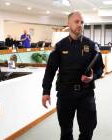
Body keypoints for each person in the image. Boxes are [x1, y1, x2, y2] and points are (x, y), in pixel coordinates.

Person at [42, 11, 104, 140]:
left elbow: (99, 69)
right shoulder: (60, 46)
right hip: (65, 94)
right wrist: (46, 91)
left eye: (82, 22)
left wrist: (93, 77)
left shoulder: (91, 45)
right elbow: (50, 71)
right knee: (65, 131)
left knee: (88, 131)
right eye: (76, 21)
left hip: (86, 95)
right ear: (68, 23)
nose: (80, 25)